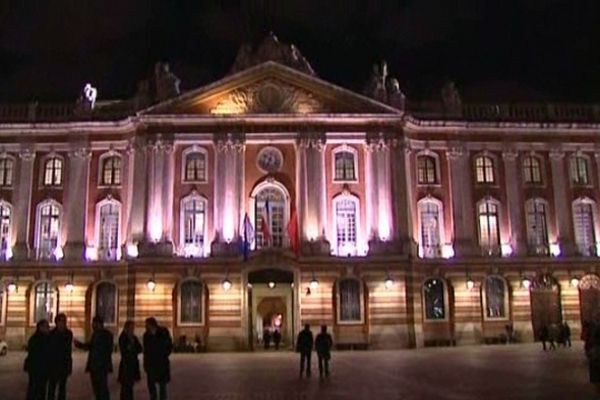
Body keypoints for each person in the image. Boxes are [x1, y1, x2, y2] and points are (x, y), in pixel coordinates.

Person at [74, 316, 114, 400]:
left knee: (102, 388)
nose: (93, 325)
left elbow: (106, 350)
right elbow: (90, 346)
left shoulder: (106, 335)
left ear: (99, 324)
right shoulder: (95, 334)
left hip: (101, 366)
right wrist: (79, 345)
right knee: (97, 388)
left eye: (94, 323)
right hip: (94, 366)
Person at [143, 317, 173, 400]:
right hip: (151, 364)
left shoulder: (163, 332)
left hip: (161, 363)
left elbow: (169, 345)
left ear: (151, 325)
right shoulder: (146, 335)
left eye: (147, 325)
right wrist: (145, 363)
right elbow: (146, 350)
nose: (145, 326)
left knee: (162, 386)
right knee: (151, 386)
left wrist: (165, 354)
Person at [47, 313, 73, 400]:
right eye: (61, 321)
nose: (63, 323)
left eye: (64, 321)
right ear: (56, 322)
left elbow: (68, 351)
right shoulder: (51, 334)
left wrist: (69, 365)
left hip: (64, 364)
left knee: (62, 388)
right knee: (52, 387)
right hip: (53, 365)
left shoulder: (68, 334)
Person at [24, 319, 50, 400]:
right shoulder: (37, 339)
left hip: (40, 369)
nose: (48, 329)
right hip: (37, 368)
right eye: (46, 327)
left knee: (38, 389)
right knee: (35, 389)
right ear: (40, 327)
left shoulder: (42, 338)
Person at [118, 321, 143, 400]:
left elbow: (140, 348)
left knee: (130, 387)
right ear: (126, 328)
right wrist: (132, 347)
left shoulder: (133, 337)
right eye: (131, 328)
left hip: (133, 364)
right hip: (126, 365)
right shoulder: (123, 337)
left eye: (133, 328)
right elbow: (125, 350)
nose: (132, 329)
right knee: (125, 387)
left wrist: (132, 348)